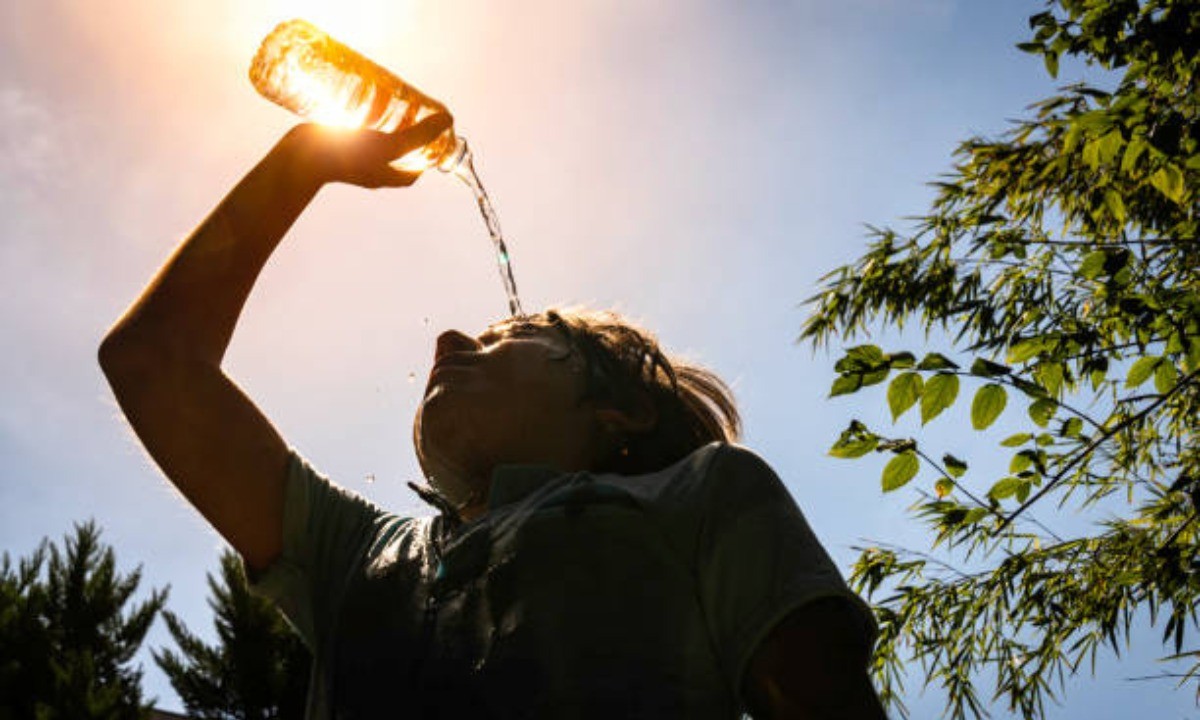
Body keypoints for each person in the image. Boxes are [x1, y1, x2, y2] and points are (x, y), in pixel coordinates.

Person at [99, 116, 887, 719]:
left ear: (623, 410)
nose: (448, 339)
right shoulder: (358, 555)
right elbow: (153, 363)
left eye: (514, 335)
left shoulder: (701, 495)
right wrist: (301, 161)